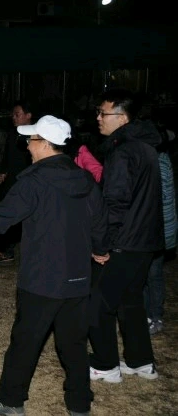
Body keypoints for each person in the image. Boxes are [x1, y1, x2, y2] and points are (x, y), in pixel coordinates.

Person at [0, 115, 108, 416]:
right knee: (74, 344)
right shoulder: (85, 179)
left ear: (45, 144)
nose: (27, 146)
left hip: (42, 278)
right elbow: (99, 221)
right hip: (77, 279)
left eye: (31, 140)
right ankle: (79, 405)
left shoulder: (34, 182)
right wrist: (100, 250)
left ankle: (10, 401)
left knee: (26, 342)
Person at [88, 88, 163, 383]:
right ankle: (140, 360)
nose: (98, 117)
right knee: (130, 301)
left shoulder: (122, 152)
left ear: (122, 118)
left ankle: (105, 364)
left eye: (103, 113)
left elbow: (115, 203)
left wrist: (103, 244)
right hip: (145, 240)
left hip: (125, 240)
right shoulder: (145, 146)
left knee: (98, 302)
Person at [144, 123, 177, 336]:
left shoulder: (159, 163)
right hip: (159, 229)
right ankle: (151, 314)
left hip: (157, 230)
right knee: (150, 275)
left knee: (152, 275)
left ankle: (154, 316)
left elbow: (159, 198)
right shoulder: (162, 160)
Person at [0, 100, 33, 262]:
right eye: (13, 114)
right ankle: (7, 248)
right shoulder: (12, 133)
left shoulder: (36, 135)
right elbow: (6, 154)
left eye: (17, 114)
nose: (13, 117)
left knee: (29, 216)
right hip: (12, 180)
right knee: (10, 213)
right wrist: (3, 170)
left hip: (29, 181)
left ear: (28, 115)